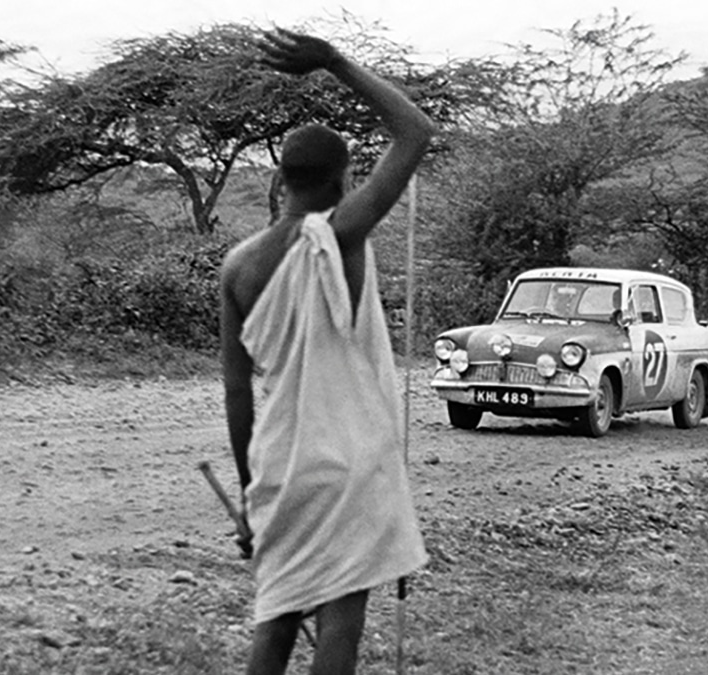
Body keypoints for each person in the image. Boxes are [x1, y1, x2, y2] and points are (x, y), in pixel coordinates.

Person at [219, 28, 435, 675]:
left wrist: (251, 490)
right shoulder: (342, 232)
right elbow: (415, 132)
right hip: (346, 462)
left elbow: (236, 393)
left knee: (277, 614)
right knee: (340, 619)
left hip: (279, 463)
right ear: (343, 180)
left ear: (280, 179)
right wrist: (335, 62)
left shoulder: (236, 267)